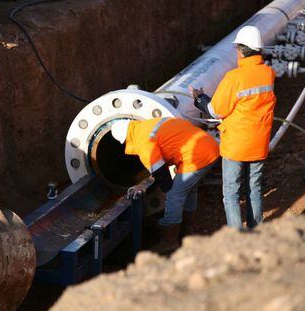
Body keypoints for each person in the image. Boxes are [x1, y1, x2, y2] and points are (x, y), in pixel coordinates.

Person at [189, 25, 277, 230]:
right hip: (259, 142)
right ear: (259, 50)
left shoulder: (233, 78)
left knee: (231, 193)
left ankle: (236, 238)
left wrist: (199, 98)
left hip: (236, 146)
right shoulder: (268, 73)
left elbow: (216, 110)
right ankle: (256, 231)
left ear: (240, 49)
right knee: (254, 188)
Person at [111, 117, 219, 252]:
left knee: (174, 195)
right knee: (189, 190)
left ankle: (170, 240)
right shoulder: (147, 125)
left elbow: (161, 173)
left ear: (125, 139)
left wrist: (165, 191)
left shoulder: (142, 143)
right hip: (209, 145)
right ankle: (188, 232)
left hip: (197, 156)